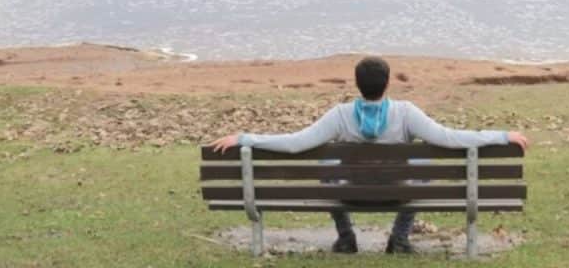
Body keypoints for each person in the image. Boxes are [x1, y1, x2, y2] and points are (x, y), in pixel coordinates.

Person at [210, 56, 530, 255]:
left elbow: (295, 144)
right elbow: (449, 138)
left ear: (357, 84)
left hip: (349, 193)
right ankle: (400, 238)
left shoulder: (340, 115)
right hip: (398, 195)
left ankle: (346, 237)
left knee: (327, 166)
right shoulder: (406, 113)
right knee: (422, 166)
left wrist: (244, 138)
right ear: (387, 83)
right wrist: (500, 136)